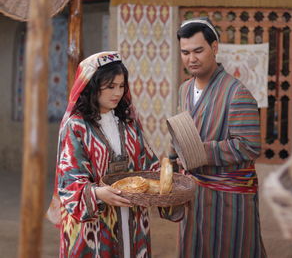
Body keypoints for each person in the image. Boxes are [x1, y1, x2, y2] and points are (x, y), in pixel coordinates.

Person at [165, 17, 267, 257]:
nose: (192, 58)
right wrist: (172, 159)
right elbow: (184, 132)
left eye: (199, 50)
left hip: (229, 199)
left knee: (231, 248)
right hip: (194, 194)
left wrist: (199, 152)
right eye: (186, 52)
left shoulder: (237, 93)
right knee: (194, 248)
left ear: (215, 47)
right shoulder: (185, 89)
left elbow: (249, 146)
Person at [46, 51, 159, 257]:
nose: (117, 93)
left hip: (132, 217)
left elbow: (148, 163)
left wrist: (170, 177)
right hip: (93, 227)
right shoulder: (76, 126)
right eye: (110, 87)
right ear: (92, 87)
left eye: (121, 86)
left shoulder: (130, 122)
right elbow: (69, 181)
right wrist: (98, 194)